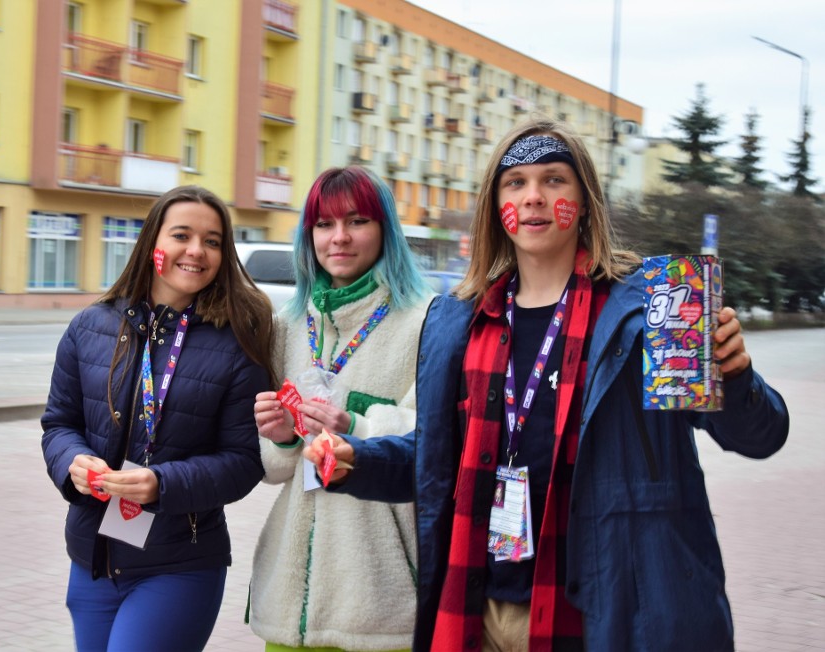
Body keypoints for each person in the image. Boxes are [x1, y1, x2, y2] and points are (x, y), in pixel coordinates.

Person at [305, 119, 790, 651]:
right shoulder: (460, 321)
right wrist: (359, 458)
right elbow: (441, 461)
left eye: (554, 179)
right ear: (496, 206)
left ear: (584, 202)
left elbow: (758, 436)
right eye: (515, 183)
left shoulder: (656, 309)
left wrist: (737, 378)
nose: (533, 197)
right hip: (478, 612)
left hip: (600, 615)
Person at [41, 185, 275, 651]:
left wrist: (161, 484)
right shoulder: (90, 325)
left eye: (212, 241)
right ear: (154, 245)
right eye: (182, 235)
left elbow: (245, 460)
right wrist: (72, 461)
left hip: (179, 562)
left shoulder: (238, 342)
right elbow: (58, 423)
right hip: (93, 557)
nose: (196, 250)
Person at [249, 166, 433, 651]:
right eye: (324, 224)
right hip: (290, 604)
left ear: (385, 230)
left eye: (357, 221)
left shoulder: (426, 321)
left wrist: (356, 423)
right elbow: (272, 467)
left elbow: (438, 439)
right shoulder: (287, 327)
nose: (340, 238)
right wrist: (285, 436)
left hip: (380, 596)